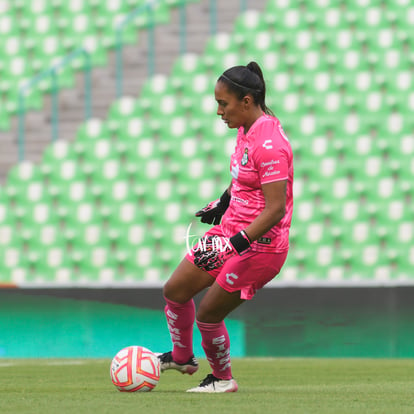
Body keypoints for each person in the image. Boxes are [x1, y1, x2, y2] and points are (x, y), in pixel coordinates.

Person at [157, 61, 294, 393]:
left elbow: (275, 209)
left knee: (208, 315)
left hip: (258, 248)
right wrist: (223, 202)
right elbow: (243, 181)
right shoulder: (245, 130)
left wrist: (238, 242)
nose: (219, 111)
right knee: (174, 291)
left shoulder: (270, 144)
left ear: (246, 101)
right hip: (228, 233)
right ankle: (182, 357)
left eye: (223, 103)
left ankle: (222, 378)